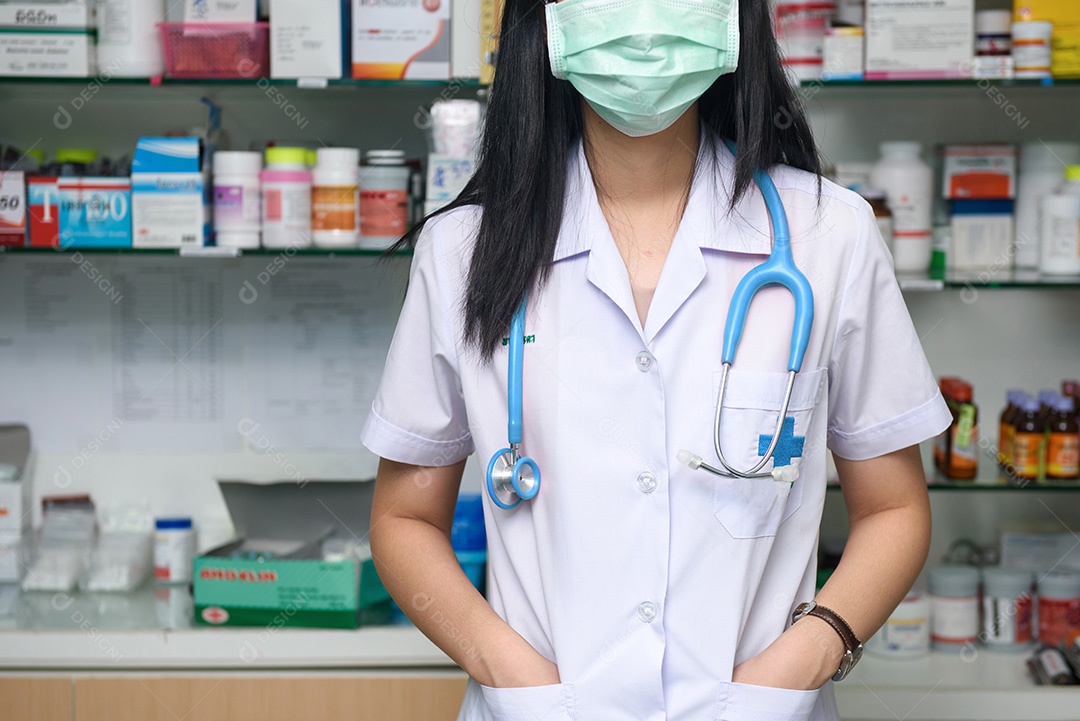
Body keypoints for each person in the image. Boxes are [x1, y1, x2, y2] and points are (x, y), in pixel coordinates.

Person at [361, 0, 951, 719]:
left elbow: (892, 508)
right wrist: (510, 669)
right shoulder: (461, 252)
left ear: (733, 19)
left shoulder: (830, 234)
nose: (642, 20)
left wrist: (809, 653)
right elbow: (405, 519)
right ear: (545, 22)